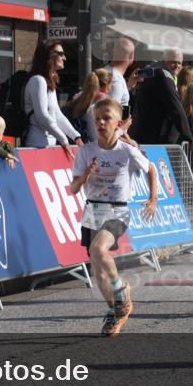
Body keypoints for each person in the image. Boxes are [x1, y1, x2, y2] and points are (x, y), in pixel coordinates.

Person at [69, 98, 158, 337]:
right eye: (97, 118)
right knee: (97, 270)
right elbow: (73, 189)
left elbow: (151, 168)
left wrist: (153, 199)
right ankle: (114, 311)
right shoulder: (86, 151)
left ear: (118, 123)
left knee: (99, 250)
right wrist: (84, 177)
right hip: (92, 210)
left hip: (117, 210)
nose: (100, 122)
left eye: (106, 118)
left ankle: (121, 293)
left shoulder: (127, 151)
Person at [24, 40, 83, 155]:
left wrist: (76, 137)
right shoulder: (38, 80)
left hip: (49, 143)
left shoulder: (48, 81)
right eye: (60, 54)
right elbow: (42, 116)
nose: (64, 58)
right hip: (37, 145)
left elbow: (57, 114)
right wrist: (64, 140)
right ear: (49, 55)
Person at [129, 49, 193, 146]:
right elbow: (176, 108)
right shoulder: (164, 76)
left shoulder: (153, 70)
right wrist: (189, 136)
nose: (177, 66)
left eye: (179, 63)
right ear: (164, 61)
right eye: (173, 62)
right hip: (153, 139)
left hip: (144, 134)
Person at [64, 69, 112, 143]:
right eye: (111, 85)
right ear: (105, 87)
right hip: (91, 150)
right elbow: (98, 138)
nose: (111, 88)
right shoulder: (98, 107)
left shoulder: (78, 98)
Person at [105, 37, 135, 109]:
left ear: (113, 51)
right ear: (131, 56)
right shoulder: (116, 79)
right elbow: (110, 112)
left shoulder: (105, 71)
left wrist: (128, 85)